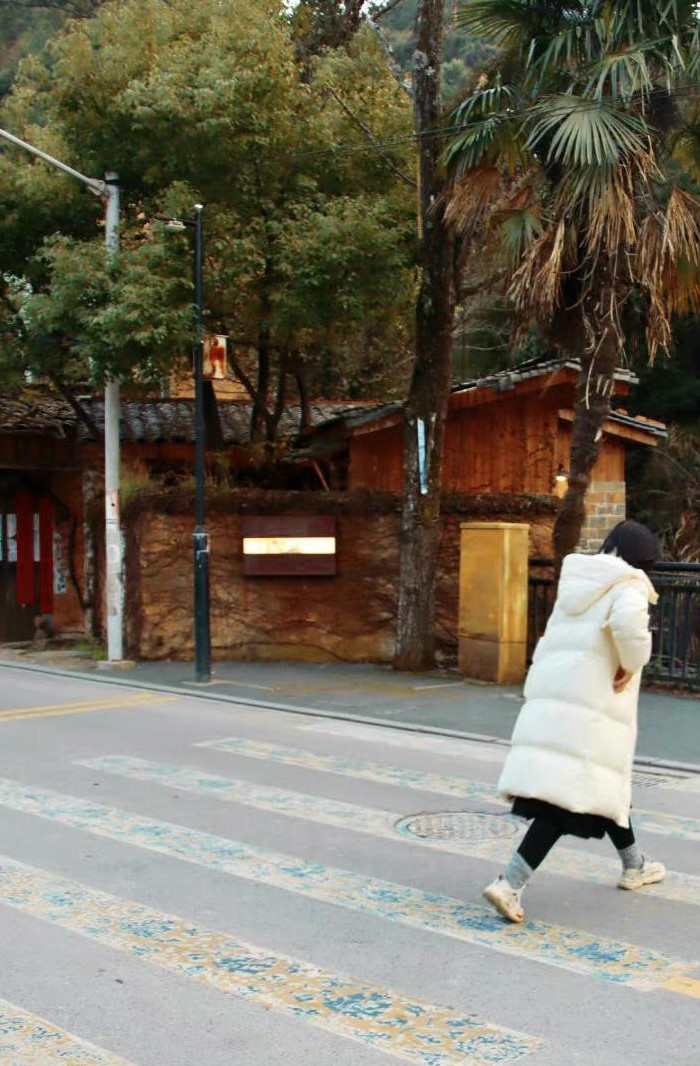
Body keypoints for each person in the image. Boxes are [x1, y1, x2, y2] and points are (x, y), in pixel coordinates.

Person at [483, 519, 665, 924]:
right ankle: (508, 884)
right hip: (592, 709)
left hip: (560, 702)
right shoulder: (629, 585)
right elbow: (629, 631)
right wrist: (632, 663)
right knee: (565, 803)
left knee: (604, 783)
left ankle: (634, 865)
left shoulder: (580, 581)